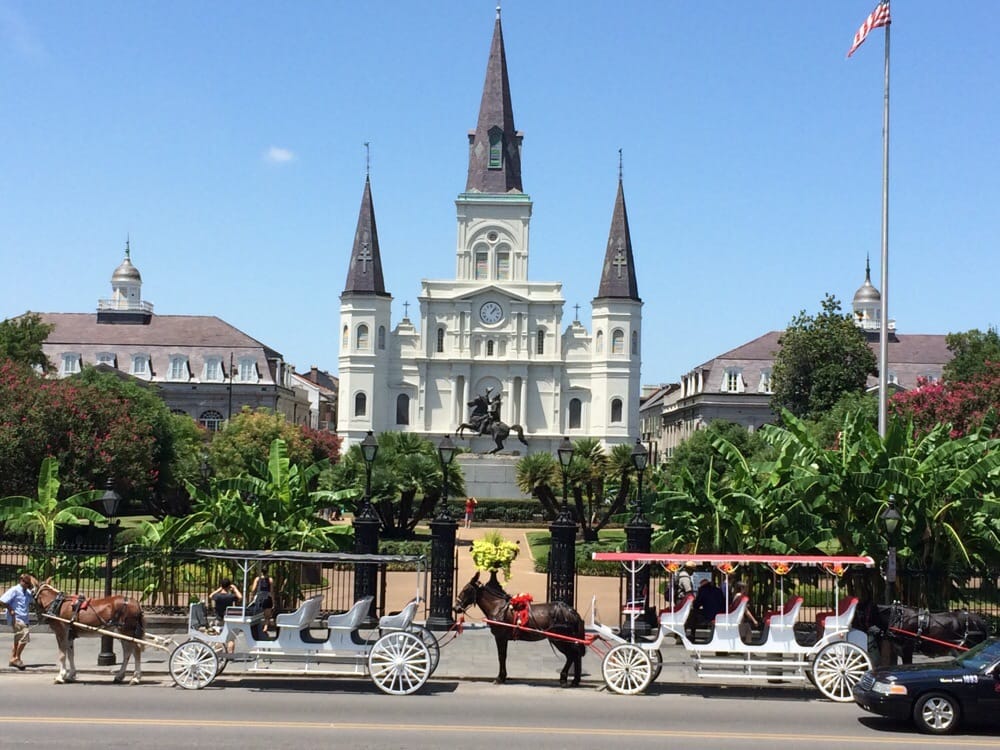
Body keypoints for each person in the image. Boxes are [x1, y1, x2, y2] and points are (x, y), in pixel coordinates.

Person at [1, 573, 34, 670]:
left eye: (28, 583)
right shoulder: (14, 590)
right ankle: (17, 658)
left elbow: (33, 600)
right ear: (21, 581)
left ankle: (13, 658)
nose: (27, 585)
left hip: (25, 618)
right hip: (16, 618)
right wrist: (10, 609)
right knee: (25, 636)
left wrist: (32, 589)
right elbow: (2, 601)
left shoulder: (27, 592)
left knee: (18, 639)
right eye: (26, 583)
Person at [249, 566, 274, 635]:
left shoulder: (257, 579)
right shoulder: (270, 579)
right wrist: (273, 601)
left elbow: (253, 589)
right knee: (267, 616)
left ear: (261, 571)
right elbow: (271, 591)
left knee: (256, 613)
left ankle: (257, 627)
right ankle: (265, 628)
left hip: (259, 598)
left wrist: (252, 596)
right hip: (267, 597)